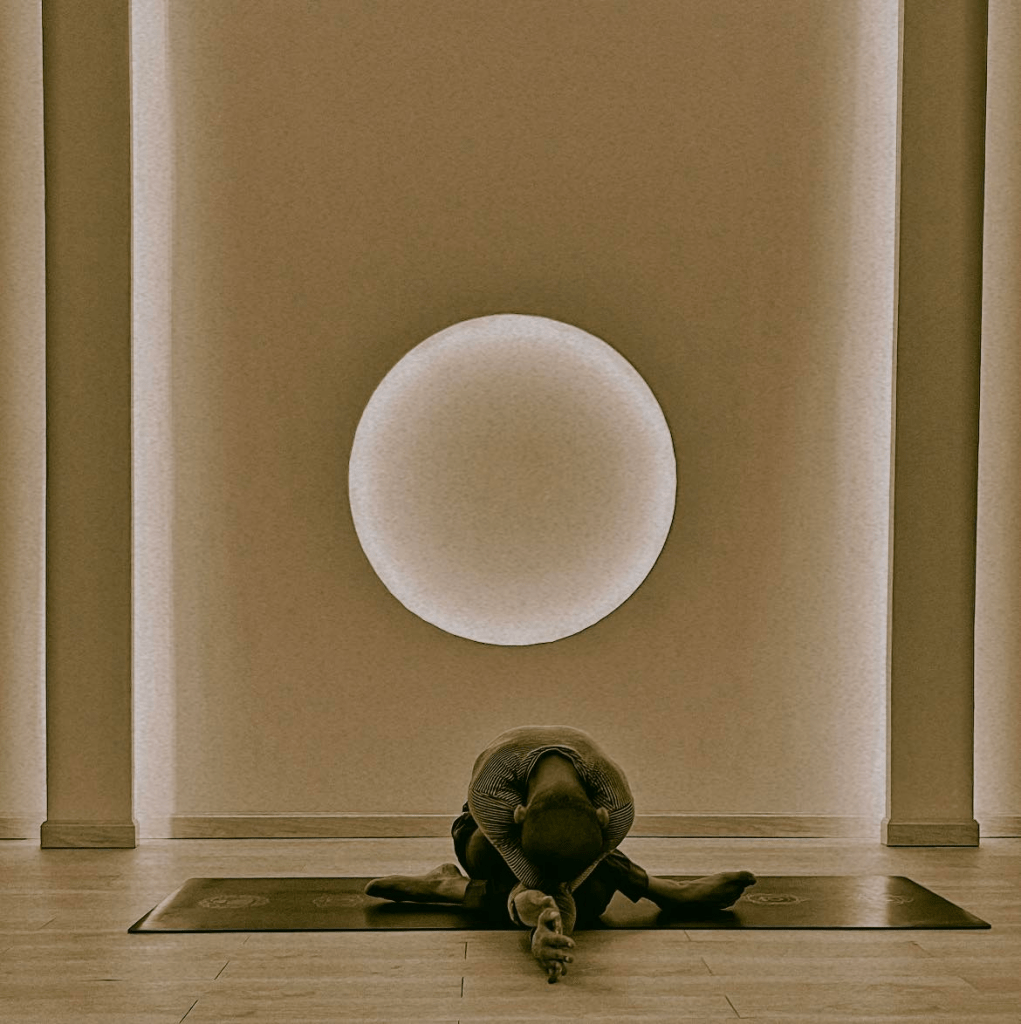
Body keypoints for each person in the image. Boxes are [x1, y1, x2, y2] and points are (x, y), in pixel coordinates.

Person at [365, 725, 756, 982]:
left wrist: (548, 923)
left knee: (592, 895)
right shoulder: (490, 792)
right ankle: (448, 886)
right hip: (480, 835)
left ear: (601, 816)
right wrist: (537, 917)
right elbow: (539, 883)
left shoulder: (617, 806)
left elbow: (561, 886)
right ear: (519, 815)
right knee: (489, 853)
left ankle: (455, 890)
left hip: (562, 841)